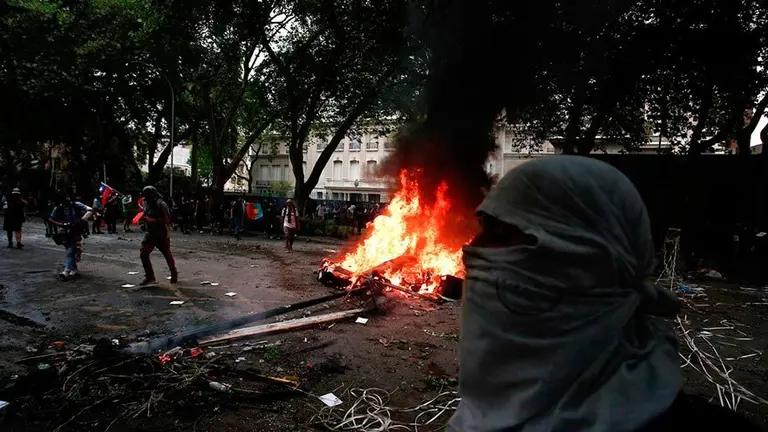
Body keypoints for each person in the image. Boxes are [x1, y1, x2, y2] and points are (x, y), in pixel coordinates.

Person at [449, 156, 760, 432]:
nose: (472, 252)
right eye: (483, 231)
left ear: (593, 263)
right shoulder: (476, 416)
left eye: (500, 236)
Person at [139, 186, 177, 285]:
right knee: (143, 254)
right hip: (150, 232)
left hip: (161, 233)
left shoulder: (161, 204)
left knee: (167, 254)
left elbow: (167, 220)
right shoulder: (146, 203)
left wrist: (153, 221)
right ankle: (149, 276)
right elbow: (144, 213)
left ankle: (174, 274)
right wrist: (142, 221)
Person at [49, 191, 92, 278]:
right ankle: (73, 269)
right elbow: (51, 219)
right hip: (63, 231)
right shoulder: (58, 208)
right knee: (70, 250)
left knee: (71, 251)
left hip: (74, 230)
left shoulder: (75, 205)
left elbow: (90, 210)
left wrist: (81, 221)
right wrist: (60, 224)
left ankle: (66, 270)